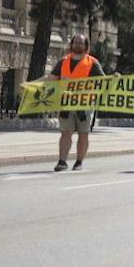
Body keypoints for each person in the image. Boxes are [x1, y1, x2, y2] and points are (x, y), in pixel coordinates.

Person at [46, 33, 103, 171]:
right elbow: (50, 80)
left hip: (85, 105)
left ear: (86, 46)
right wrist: (31, 86)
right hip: (66, 104)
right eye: (75, 42)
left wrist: (115, 78)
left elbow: (103, 81)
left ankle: (79, 162)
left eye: (81, 43)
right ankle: (62, 161)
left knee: (83, 134)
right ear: (71, 44)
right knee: (66, 133)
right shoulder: (63, 61)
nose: (78, 45)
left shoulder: (92, 63)